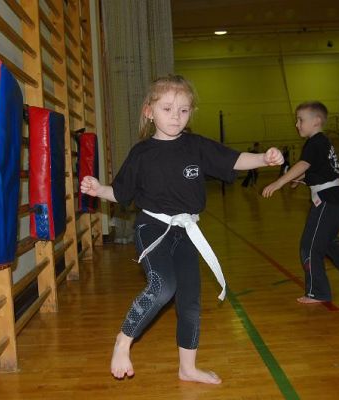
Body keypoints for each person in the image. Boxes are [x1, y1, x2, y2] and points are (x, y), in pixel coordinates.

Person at [81, 75, 283, 384]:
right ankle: (123, 340)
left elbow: (233, 160)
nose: (176, 116)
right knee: (163, 286)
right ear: (149, 111)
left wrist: (263, 159)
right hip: (152, 227)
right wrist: (98, 189)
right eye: (167, 109)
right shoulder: (141, 154)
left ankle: (187, 368)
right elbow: (121, 193)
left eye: (184, 110)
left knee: (190, 300)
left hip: (186, 230)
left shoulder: (196, 146)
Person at [262, 101, 339, 304]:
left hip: (327, 200)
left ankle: (318, 292)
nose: (297, 124)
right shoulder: (322, 142)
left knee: (310, 246)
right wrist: (301, 179)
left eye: (300, 120)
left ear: (316, 121)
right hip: (333, 198)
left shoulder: (316, 142)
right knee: (327, 243)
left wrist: (280, 182)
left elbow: (303, 164)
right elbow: (320, 170)